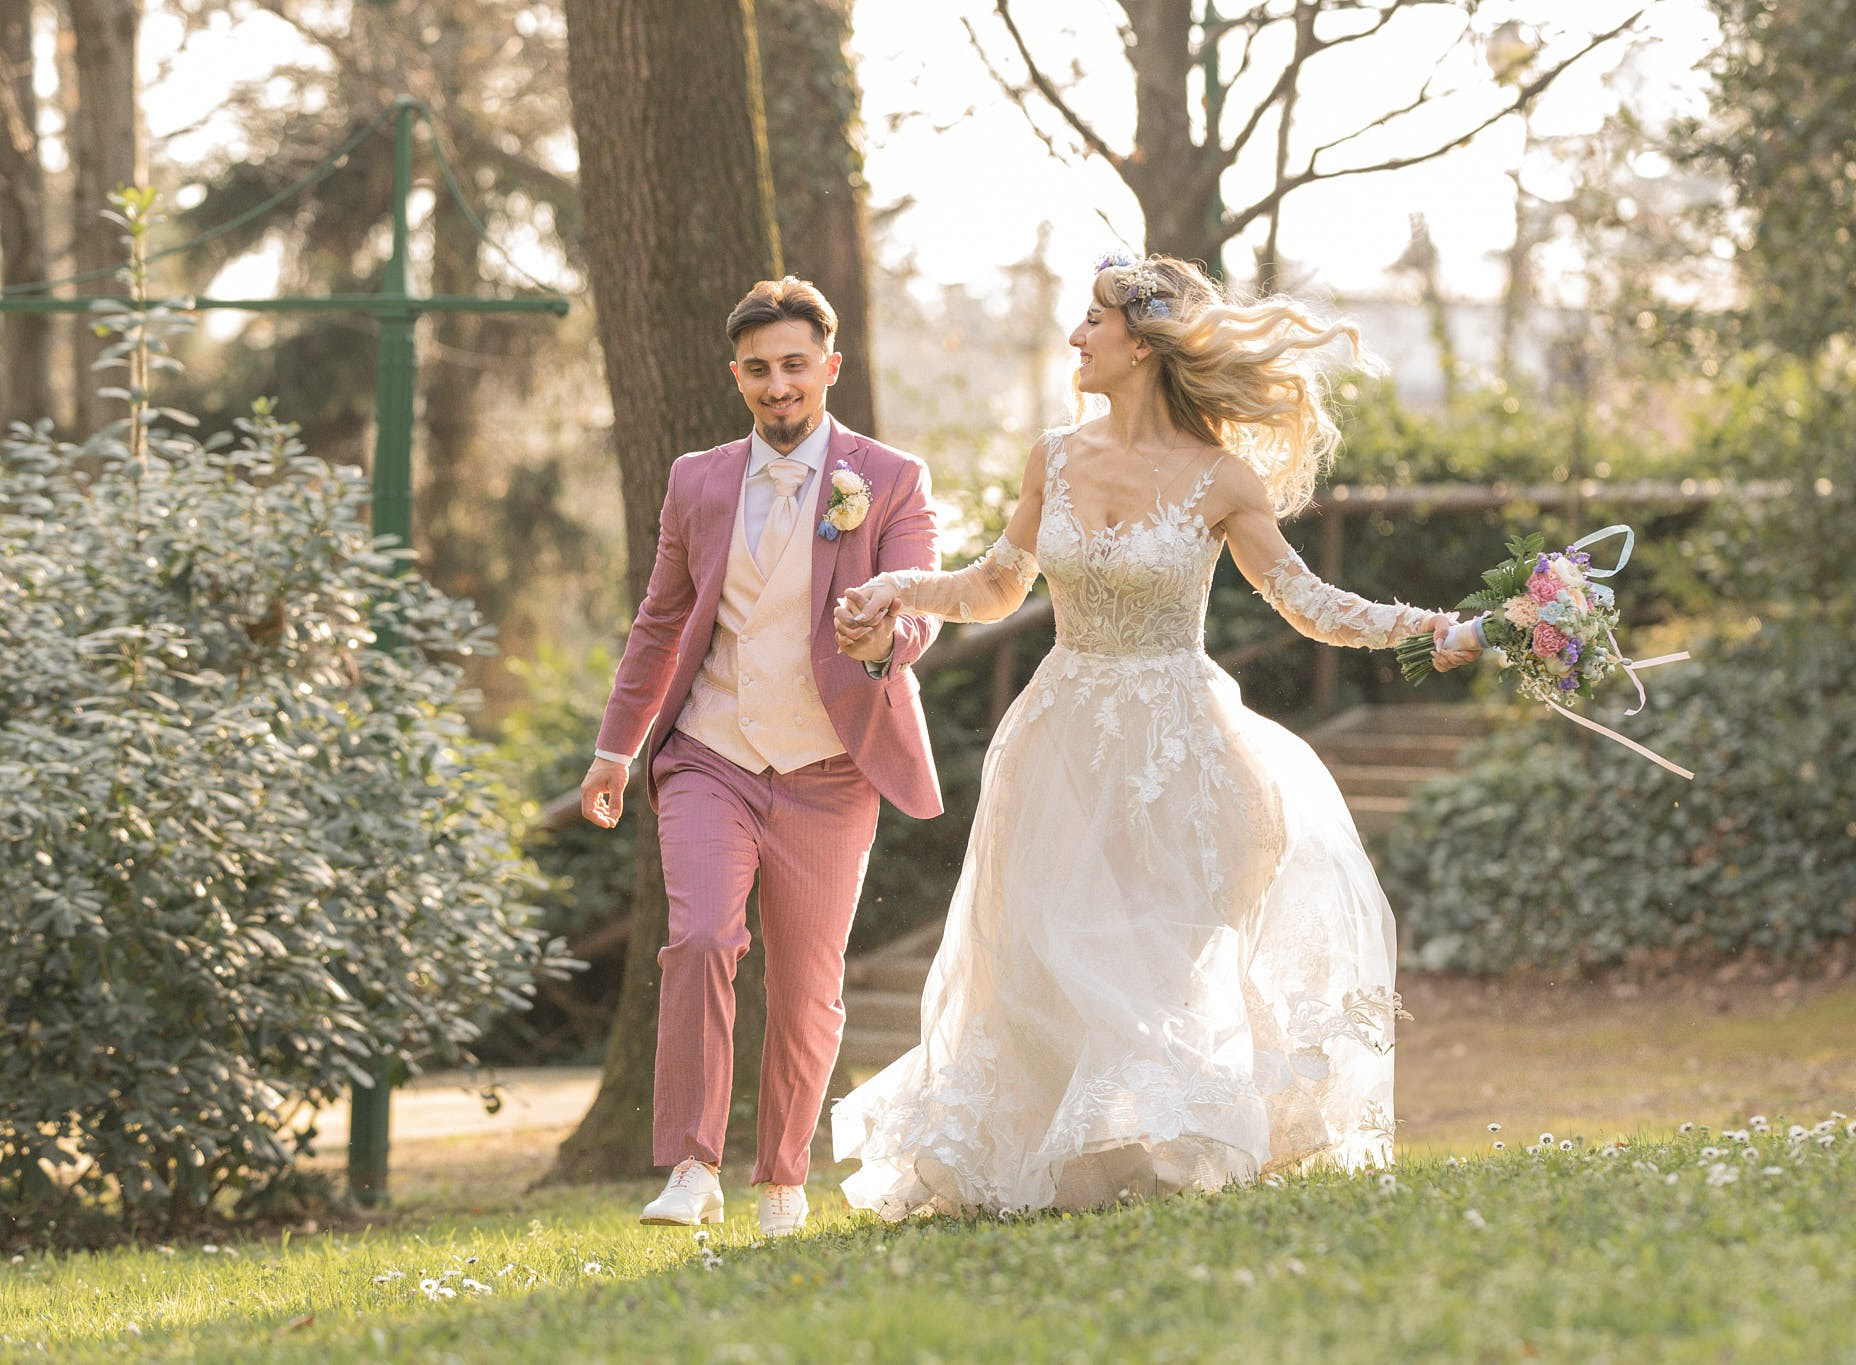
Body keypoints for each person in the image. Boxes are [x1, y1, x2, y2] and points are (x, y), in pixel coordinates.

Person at [828, 253, 1481, 1219]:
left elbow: (1306, 603)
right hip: (1060, 744)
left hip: (1183, 749)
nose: (1076, 338)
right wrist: (897, 589)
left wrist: (1427, 627)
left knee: (1157, 956)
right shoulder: (1052, 455)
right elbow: (999, 584)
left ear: (1142, 342)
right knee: (1043, 950)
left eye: (1093, 321)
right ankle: (1057, 1156)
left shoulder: (1223, 478)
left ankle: (1162, 1142)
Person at [579, 276, 945, 1236]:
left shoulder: (891, 477)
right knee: (700, 937)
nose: (778, 385)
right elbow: (661, 622)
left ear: (830, 367)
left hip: (831, 770)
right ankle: (692, 1164)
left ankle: (784, 1178)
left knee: (809, 983)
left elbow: (917, 608)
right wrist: (617, 749)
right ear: (735, 375)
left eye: (794, 365)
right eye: (758, 369)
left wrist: (883, 642)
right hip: (712, 753)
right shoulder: (695, 480)